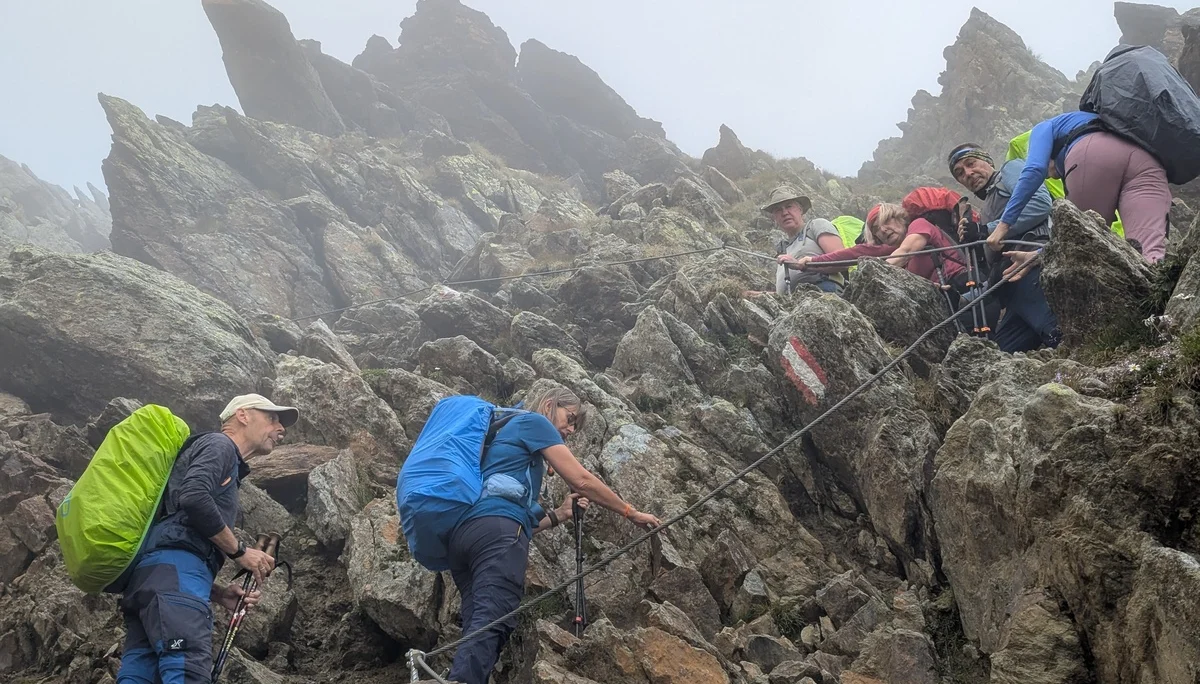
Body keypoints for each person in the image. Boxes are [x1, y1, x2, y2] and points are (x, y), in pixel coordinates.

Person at [447, 386, 662, 684]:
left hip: (466, 537)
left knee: (478, 625)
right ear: (549, 405)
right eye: (570, 418)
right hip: (497, 533)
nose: (570, 429)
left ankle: (458, 677)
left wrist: (560, 514)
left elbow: (517, 521)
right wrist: (630, 512)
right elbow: (582, 480)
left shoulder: (504, 435)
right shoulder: (534, 422)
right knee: (494, 618)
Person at [117, 394, 296, 684]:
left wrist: (217, 593)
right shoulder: (220, 445)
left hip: (150, 584)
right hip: (176, 585)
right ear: (243, 415)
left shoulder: (212, 454)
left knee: (140, 675)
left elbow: (176, 534)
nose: (281, 429)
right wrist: (241, 552)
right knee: (186, 671)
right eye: (272, 417)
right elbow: (194, 498)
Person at [995, 110, 1170, 262]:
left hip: (1092, 152)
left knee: (1083, 248)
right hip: (1146, 161)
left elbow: (1034, 170)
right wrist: (1039, 255)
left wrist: (1003, 226)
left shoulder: (1045, 127)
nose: (1048, 177)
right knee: (1149, 253)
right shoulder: (1104, 119)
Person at [948, 144, 1061, 352]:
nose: (968, 173)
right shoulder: (986, 209)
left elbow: (1040, 203)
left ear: (988, 161)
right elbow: (991, 256)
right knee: (1002, 356)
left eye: (971, 163)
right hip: (1011, 288)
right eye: (960, 174)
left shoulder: (1010, 170)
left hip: (1032, 270)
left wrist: (985, 230)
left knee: (1058, 333)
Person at [762, 184, 847, 295]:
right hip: (794, 302)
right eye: (778, 210)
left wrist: (801, 265)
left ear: (800, 210)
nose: (784, 213)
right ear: (775, 218)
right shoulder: (783, 247)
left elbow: (843, 261)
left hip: (823, 293)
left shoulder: (816, 226)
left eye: (789, 206)